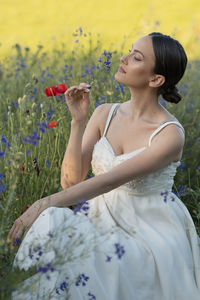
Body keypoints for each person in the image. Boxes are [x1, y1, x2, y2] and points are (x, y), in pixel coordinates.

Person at [7, 32, 200, 299]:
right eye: (130, 51)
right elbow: (71, 181)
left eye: (136, 57)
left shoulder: (170, 134)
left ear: (155, 79)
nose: (123, 57)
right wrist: (78, 121)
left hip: (146, 230)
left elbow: (107, 181)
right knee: (59, 228)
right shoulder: (104, 113)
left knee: (57, 221)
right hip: (97, 216)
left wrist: (44, 203)